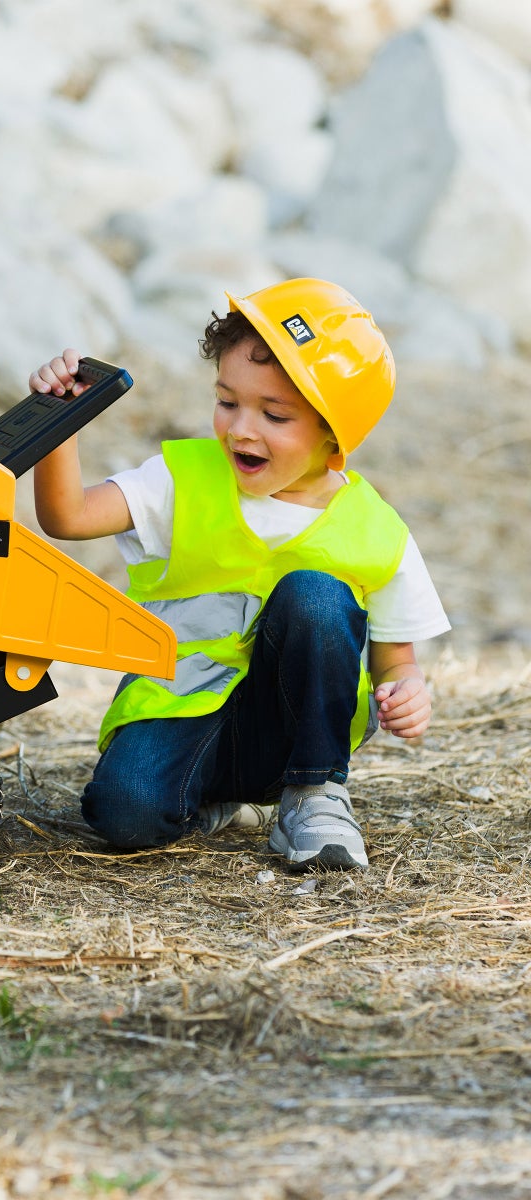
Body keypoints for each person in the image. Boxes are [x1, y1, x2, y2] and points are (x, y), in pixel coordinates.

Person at [29, 278, 450, 870]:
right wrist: (59, 423)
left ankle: (314, 793)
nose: (241, 429)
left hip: (291, 735)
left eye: (274, 414)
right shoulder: (182, 480)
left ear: (336, 433)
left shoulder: (374, 530)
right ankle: (224, 803)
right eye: (228, 402)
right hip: (179, 710)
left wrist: (408, 689)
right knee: (122, 814)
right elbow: (66, 517)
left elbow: (396, 660)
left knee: (315, 594)